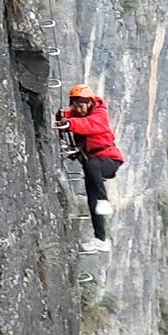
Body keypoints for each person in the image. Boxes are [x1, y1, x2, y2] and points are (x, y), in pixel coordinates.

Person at [58, 84, 126, 254]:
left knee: (93, 167)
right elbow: (67, 116)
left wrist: (70, 123)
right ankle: (100, 239)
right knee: (92, 200)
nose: (78, 108)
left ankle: (104, 201)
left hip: (109, 160)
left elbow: (90, 125)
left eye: (81, 104)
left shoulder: (99, 113)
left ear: (90, 103)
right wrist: (62, 116)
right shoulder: (79, 112)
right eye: (76, 104)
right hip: (92, 163)